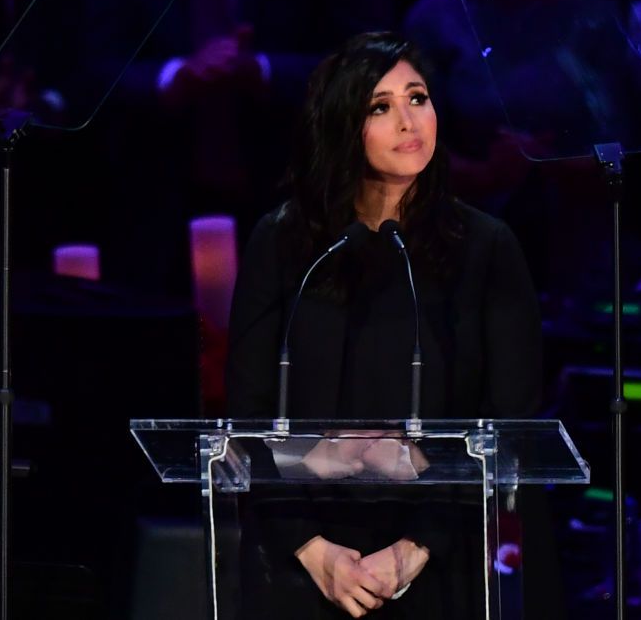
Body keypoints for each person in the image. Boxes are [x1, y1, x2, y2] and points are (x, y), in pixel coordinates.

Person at [225, 31, 543, 618]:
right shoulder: (285, 242)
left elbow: (511, 428)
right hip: (299, 562)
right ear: (345, 124)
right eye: (381, 106)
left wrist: (416, 548)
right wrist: (314, 550)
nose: (408, 121)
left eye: (417, 98)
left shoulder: (485, 248)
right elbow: (247, 417)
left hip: (439, 559)